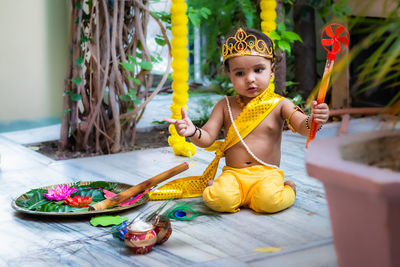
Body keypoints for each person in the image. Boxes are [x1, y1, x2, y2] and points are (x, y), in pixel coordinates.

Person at [161, 27, 329, 213]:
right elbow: (207, 137)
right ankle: (217, 186)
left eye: (258, 70)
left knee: (268, 202)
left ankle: (289, 187)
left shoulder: (279, 104)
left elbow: (302, 126)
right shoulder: (224, 105)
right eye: (240, 73)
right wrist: (192, 131)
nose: (250, 79)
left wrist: (314, 120)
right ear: (230, 75)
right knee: (218, 200)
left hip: (267, 174)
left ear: (271, 71)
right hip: (234, 174)